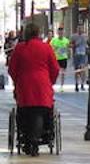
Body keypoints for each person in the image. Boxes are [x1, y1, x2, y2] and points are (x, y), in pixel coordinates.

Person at [8, 21, 58, 156]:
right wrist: (50, 82)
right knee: (41, 112)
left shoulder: (19, 48)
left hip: (24, 86)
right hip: (42, 86)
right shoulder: (46, 48)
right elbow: (55, 68)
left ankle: (26, 139)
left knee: (25, 112)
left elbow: (12, 69)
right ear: (38, 33)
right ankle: (37, 140)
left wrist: (17, 82)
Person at [49, 26, 71, 90]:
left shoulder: (66, 40)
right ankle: (52, 84)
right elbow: (50, 48)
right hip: (56, 58)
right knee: (55, 72)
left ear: (63, 33)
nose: (60, 33)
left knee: (63, 73)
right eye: (59, 32)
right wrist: (54, 49)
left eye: (62, 32)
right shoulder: (54, 40)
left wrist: (68, 51)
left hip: (64, 58)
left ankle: (61, 86)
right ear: (57, 32)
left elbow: (68, 48)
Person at [70, 25, 88, 91]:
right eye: (79, 28)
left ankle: (82, 84)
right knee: (77, 70)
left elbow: (87, 45)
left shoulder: (85, 36)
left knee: (83, 70)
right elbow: (70, 45)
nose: (80, 29)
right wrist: (75, 45)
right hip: (76, 55)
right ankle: (76, 84)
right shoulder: (73, 36)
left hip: (83, 55)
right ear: (77, 29)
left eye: (81, 28)